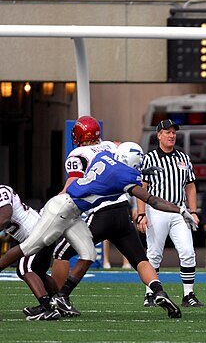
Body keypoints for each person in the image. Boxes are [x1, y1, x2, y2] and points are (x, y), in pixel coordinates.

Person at [0, 142, 193, 319]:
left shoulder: (104, 157)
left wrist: (141, 171)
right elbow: (153, 200)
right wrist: (181, 209)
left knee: (88, 254)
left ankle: (59, 298)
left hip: (71, 211)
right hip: (60, 210)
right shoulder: (125, 175)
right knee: (29, 247)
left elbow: (117, 163)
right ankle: (51, 299)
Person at [50, 117, 185, 319]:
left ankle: (59, 298)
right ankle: (158, 291)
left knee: (62, 252)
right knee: (140, 259)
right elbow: (129, 153)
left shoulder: (77, 154)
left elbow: (71, 184)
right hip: (121, 209)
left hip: (100, 211)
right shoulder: (109, 147)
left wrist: (53, 206)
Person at [136, 119, 203, 308]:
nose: (172, 135)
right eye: (167, 132)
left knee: (188, 252)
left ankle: (188, 294)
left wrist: (193, 211)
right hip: (156, 210)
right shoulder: (149, 158)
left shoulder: (183, 158)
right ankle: (150, 293)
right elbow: (142, 188)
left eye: (174, 132)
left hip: (179, 210)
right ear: (159, 136)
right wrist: (141, 214)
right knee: (154, 254)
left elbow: (190, 186)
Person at [0, 185, 60, 321]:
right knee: (38, 273)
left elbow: (4, 218)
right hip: (40, 233)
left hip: (35, 234)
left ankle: (46, 307)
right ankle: (59, 302)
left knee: (24, 268)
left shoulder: (2, 191)